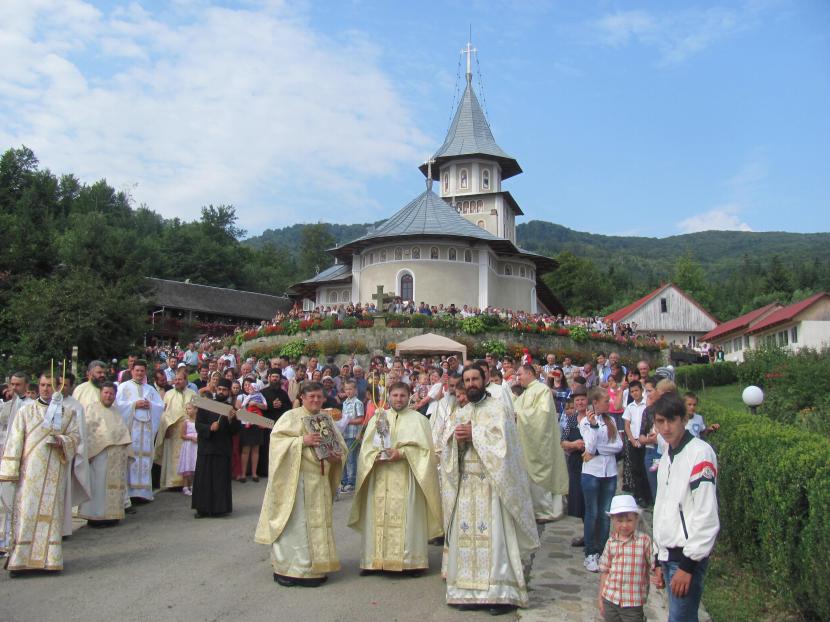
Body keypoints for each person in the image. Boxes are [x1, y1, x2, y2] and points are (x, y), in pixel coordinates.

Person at [441, 365, 539, 615]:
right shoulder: (462, 411)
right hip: (467, 485)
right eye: (467, 380)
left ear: (484, 380)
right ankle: (469, 592)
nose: (471, 383)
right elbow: (447, 446)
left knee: (494, 540)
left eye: (475, 379)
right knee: (466, 539)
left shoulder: (499, 409)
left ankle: (500, 595)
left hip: (492, 485)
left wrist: (475, 434)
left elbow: (505, 447)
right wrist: (456, 439)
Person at [255, 382, 344, 587]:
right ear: (302, 397)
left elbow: (340, 448)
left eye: (319, 397)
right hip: (296, 482)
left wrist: (336, 457)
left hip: (319, 482)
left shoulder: (326, 419)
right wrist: (301, 441)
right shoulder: (290, 417)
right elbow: (276, 444)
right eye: (311, 396)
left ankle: (316, 568)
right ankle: (291, 569)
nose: (315, 400)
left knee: (317, 525)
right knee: (296, 526)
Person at [348, 382, 442, 575]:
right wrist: (375, 456)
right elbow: (366, 449)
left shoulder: (419, 420)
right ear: (389, 397)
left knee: (408, 518)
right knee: (377, 516)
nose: (399, 399)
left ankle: (410, 562)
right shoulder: (378, 418)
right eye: (395, 395)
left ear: (409, 397)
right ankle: (374, 561)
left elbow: (426, 452)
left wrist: (402, 453)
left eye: (402, 395)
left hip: (406, 476)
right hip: (380, 476)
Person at [0, 373, 81, 574]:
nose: (45, 389)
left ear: (58, 388)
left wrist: (62, 441)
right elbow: (15, 441)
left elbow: (75, 437)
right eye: (43, 385)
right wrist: (9, 471)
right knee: (26, 515)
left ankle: (49, 560)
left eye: (50, 385)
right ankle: (21, 561)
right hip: (29, 475)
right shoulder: (26, 412)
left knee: (51, 517)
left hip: (55, 473)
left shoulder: (68, 413)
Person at [651, 392, 720, 622]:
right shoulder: (668, 455)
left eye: (672, 420)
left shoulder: (699, 453)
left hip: (685, 558)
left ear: (684, 419)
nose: (667, 427)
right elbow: (662, 507)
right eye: (661, 421)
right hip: (668, 555)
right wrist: (657, 557)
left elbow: (706, 514)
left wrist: (688, 566)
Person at [513, 364, 568, 524]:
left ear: (530, 373)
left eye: (520, 374)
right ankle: (534, 509)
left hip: (540, 444)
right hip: (527, 443)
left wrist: (519, 416)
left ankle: (546, 511)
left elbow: (542, 415)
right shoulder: (526, 392)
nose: (518, 378)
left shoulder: (542, 390)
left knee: (541, 477)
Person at [580, 387, 623, 573]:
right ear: (595, 402)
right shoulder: (586, 422)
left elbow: (618, 446)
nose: (609, 403)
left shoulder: (611, 420)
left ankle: (603, 550)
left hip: (610, 472)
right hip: (591, 473)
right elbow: (589, 446)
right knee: (593, 513)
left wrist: (598, 450)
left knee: (606, 515)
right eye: (605, 401)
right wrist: (595, 429)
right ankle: (590, 552)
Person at [78, 382, 132, 527]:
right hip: (99, 456)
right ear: (101, 393)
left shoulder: (116, 411)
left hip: (116, 458)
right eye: (106, 393)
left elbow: (123, 432)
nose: (108, 396)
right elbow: (88, 432)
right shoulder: (92, 409)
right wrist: (90, 452)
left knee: (113, 488)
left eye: (111, 394)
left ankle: (112, 515)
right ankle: (96, 517)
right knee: (99, 488)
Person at [597, 495, 655, 622]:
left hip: (633, 602)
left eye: (629, 520)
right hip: (610, 599)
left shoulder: (644, 541)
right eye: (619, 520)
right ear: (612, 519)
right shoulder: (611, 542)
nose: (624, 525)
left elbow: (654, 564)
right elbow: (605, 571)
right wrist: (601, 598)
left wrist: (659, 575)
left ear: (636, 518)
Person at [192, 379, 240, 517]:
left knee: (220, 480)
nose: (221, 392)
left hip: (222, 449)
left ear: (229, 392)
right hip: (206, 448)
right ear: (215, 390)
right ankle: (202, 509)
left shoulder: (231, 409)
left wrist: (232, 420)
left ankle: (220, 509)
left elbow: (236, 431)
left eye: (224, 390)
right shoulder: (206, 405)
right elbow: (198, 425)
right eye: (219, 389)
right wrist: (209, 427)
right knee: (204, 479)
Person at [0, 372, 31, 556]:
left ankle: (15, 541)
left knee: (14, 501)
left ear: (26, 387)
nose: (14, 388)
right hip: (5, 459)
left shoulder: (29, 407)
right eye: (12, 384)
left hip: (20, 460)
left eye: (18, 385)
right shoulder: (8, 405)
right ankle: (3, 541)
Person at [155, 369, 196, 491]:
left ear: (186, 380)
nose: (177, 382)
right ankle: (173, 482)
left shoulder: (193, 394)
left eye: (180, 379)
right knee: (173, 457)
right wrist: (165, 428)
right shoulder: (169, 394)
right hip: (173, 431)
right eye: (176, 379)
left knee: (188, 456)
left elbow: (198, 412)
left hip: (189, 431)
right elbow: (164, 414)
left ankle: (188, 483)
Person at [560, 388, 587, 545]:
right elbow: (562, 441)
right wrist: (573, 444)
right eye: (577, 400)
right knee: (579, 499)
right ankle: (585, 533)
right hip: (575, 462)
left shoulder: (593, 418)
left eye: (583, 399)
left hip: (591, 462)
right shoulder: (571, 420)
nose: (580, 402)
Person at [237, 376, 267, 483]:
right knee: (246, 450)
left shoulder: (259, 395)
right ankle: (243, 473)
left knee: (256, 449)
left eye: (250, 385)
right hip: (246, 424)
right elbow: (238, 408)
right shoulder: (241, 396)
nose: (248, 387)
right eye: (246, 385)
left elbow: (265, 406)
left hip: (257, 424)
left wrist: (256, 404)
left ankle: (254, 473)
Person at [336, 380, 363, 493]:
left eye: (350, 389)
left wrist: (348, 421)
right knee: (345, 457)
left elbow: (361, 419)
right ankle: (345, 480)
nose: (348, 391)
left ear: (355, 390)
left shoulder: (358, 403)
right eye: (346, 389)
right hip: (345, 433)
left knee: (351, 458)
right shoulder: (345, 402)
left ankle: (351, 482)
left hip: (353, 434)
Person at [177, 401, 198, 496]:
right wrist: (191, 438)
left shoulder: (198, 422)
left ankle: (194, 485)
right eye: (187, 409)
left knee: (194, 464)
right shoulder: (186, 422)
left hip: (196, 446)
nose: (187, 411)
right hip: (189, 446)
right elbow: (182, 435)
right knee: (187, 464)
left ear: (196, 410)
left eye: (189, 408)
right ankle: (185, 486)